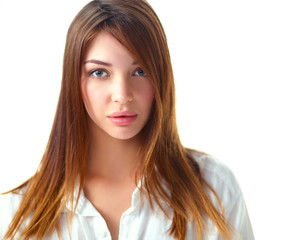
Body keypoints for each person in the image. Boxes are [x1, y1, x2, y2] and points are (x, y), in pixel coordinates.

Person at [0, 0, 254, 239]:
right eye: (99, 72)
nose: (122, 95)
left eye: (140, 71)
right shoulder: (18, 213)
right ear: (74, 82)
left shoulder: (214, 188)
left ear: (160, 77)